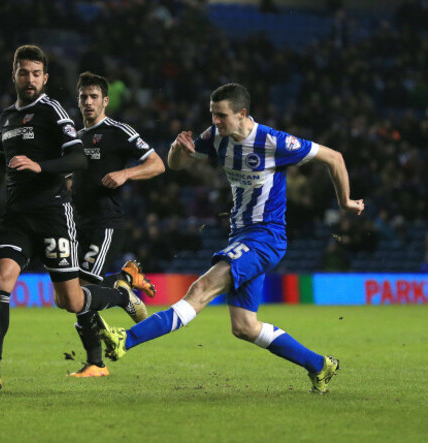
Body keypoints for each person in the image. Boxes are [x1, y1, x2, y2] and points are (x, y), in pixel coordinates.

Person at [99, 83, 365, 394]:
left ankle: (125, 340)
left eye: (221, 116)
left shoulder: (273, 141)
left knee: (200, 289)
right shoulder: (216, 137)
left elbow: (334, 157)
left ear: (242, 114)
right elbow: (177, 164)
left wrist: (345, 202)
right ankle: (320, 365)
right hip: (241, 234)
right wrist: (177, 149)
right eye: (212, 114)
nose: (214, 122)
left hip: (266, 236)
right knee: (244, 327)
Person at [0, 45, 148, 392]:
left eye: (37, 74)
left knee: (72, 301)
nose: (30, 79)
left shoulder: (52, 111)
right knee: (1, 278)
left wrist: (40, 166)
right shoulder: (7, 117)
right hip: (17, 217)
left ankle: (122, 295)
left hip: (53, 214)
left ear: (46, 78)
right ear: (14, 75)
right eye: (24, 73)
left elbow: (78, 159)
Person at [67, 72, 165, 377]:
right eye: (83, 96)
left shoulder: (117, 131)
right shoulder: (73, 136)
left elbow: (157, 164)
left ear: (105, 101)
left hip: (106, 223)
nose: (88, 102)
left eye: (94, 96)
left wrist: (126, 174)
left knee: (81, 290)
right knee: (75, 296)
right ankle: (95, 364)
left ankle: (122, 290)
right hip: (78, 224)